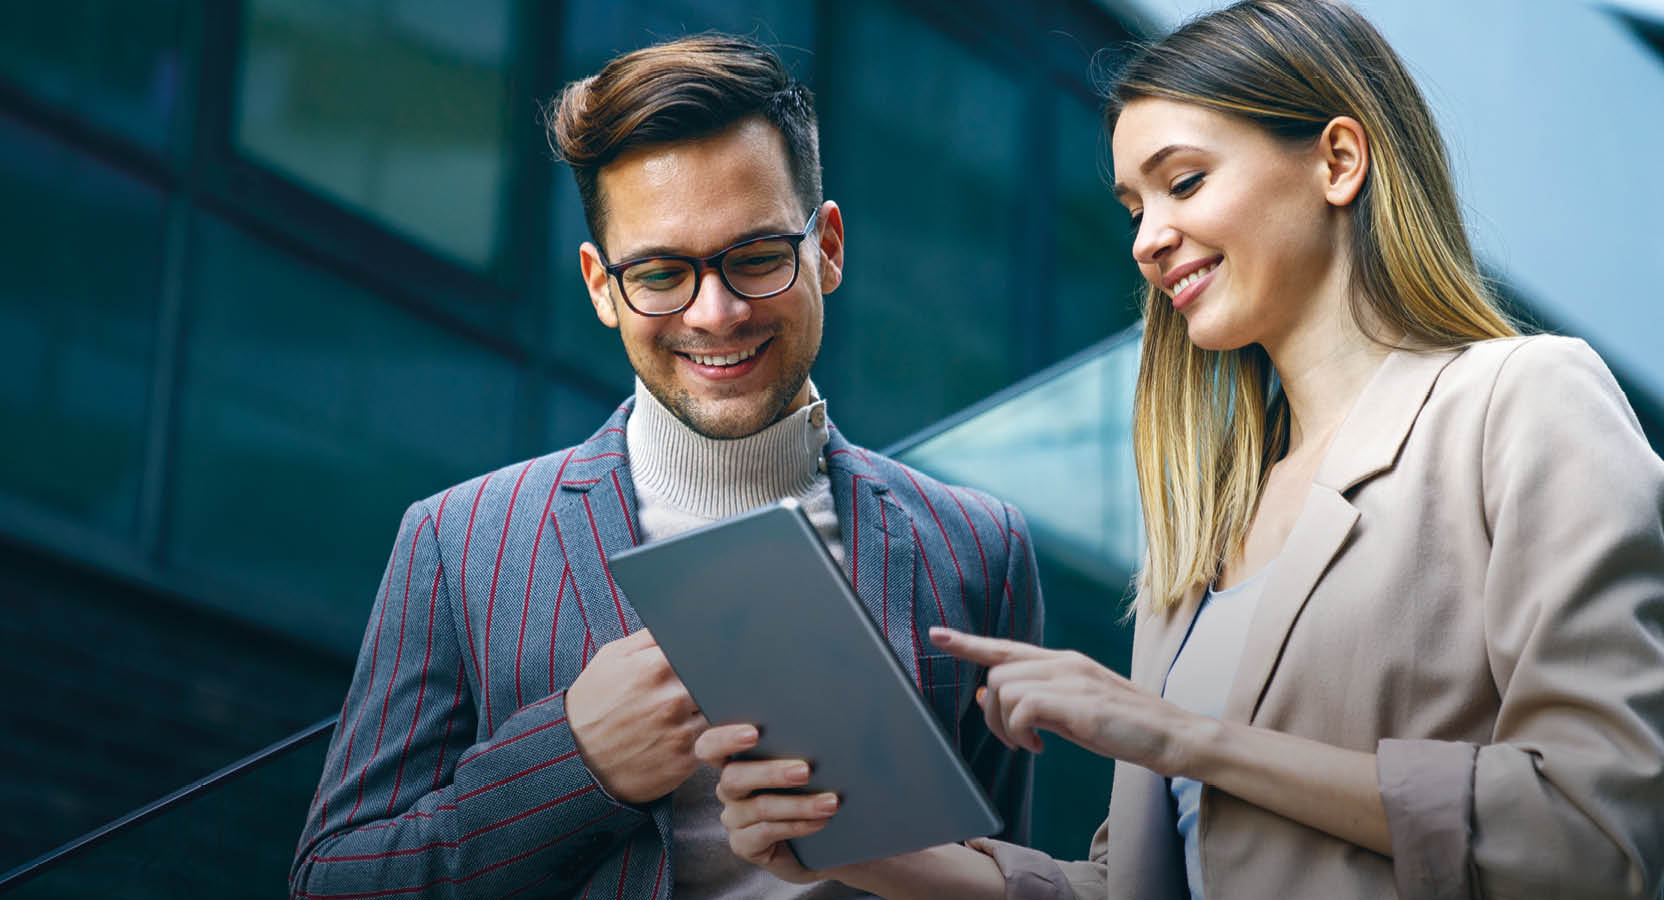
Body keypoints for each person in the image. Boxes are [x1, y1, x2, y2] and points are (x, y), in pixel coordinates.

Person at [695, 1, 1664, 897]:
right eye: (1131, 209)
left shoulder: (1521, 401)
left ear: (1338, 160)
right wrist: (864, 847)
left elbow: (1596, 828)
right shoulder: (1206, 523)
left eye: (1184, 182)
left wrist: (1176, 736)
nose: (1149, 240)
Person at [288, 34, 1041, 900]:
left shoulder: (980, 549)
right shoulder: (459, 544)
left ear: (827, 246)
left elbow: (1006, 878)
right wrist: (576, 764)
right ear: (602, 287)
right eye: (659, 272)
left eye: (757, 258)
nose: (715, 313)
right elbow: (330, 882)